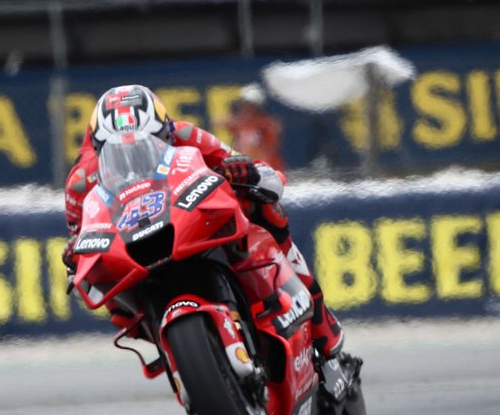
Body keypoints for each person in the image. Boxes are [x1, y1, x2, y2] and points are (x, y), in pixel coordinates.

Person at [62, 84, 358, 366]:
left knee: (266, 208)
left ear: (166, 132)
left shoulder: (186, 134)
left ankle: (320, 318)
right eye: (119, 152)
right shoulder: (80, 181)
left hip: (187, 219)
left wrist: (245, 171)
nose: (132, 157)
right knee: (111, 300)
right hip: (135, 247)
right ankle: (177, 352)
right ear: (100, 150)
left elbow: (262, 175)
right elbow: (80, 247)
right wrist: (74, 256)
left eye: (146, 144)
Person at [227, 83, 284, 170]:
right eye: (242, 105)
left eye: (248, 105)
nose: (244, 108)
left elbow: (270, 148)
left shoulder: (265, 124)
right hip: (247, 167)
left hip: (266, 167)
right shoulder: (238, 124)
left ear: (255, 107)